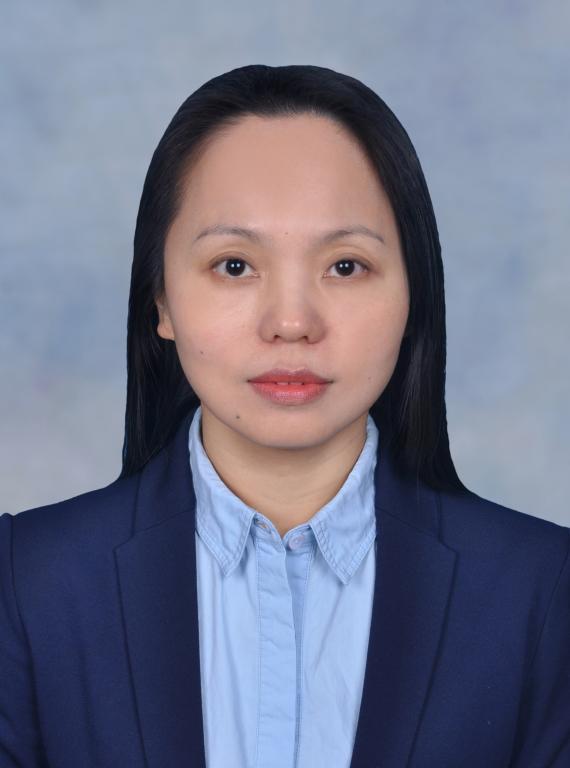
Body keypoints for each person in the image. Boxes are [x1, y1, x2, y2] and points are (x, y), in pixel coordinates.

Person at [1, 64, 568, 768]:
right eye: (235, 266)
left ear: (413, 297)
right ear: (161, 301)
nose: (292, 322)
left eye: (346, 266)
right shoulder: (28, 584)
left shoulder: (542, 591)